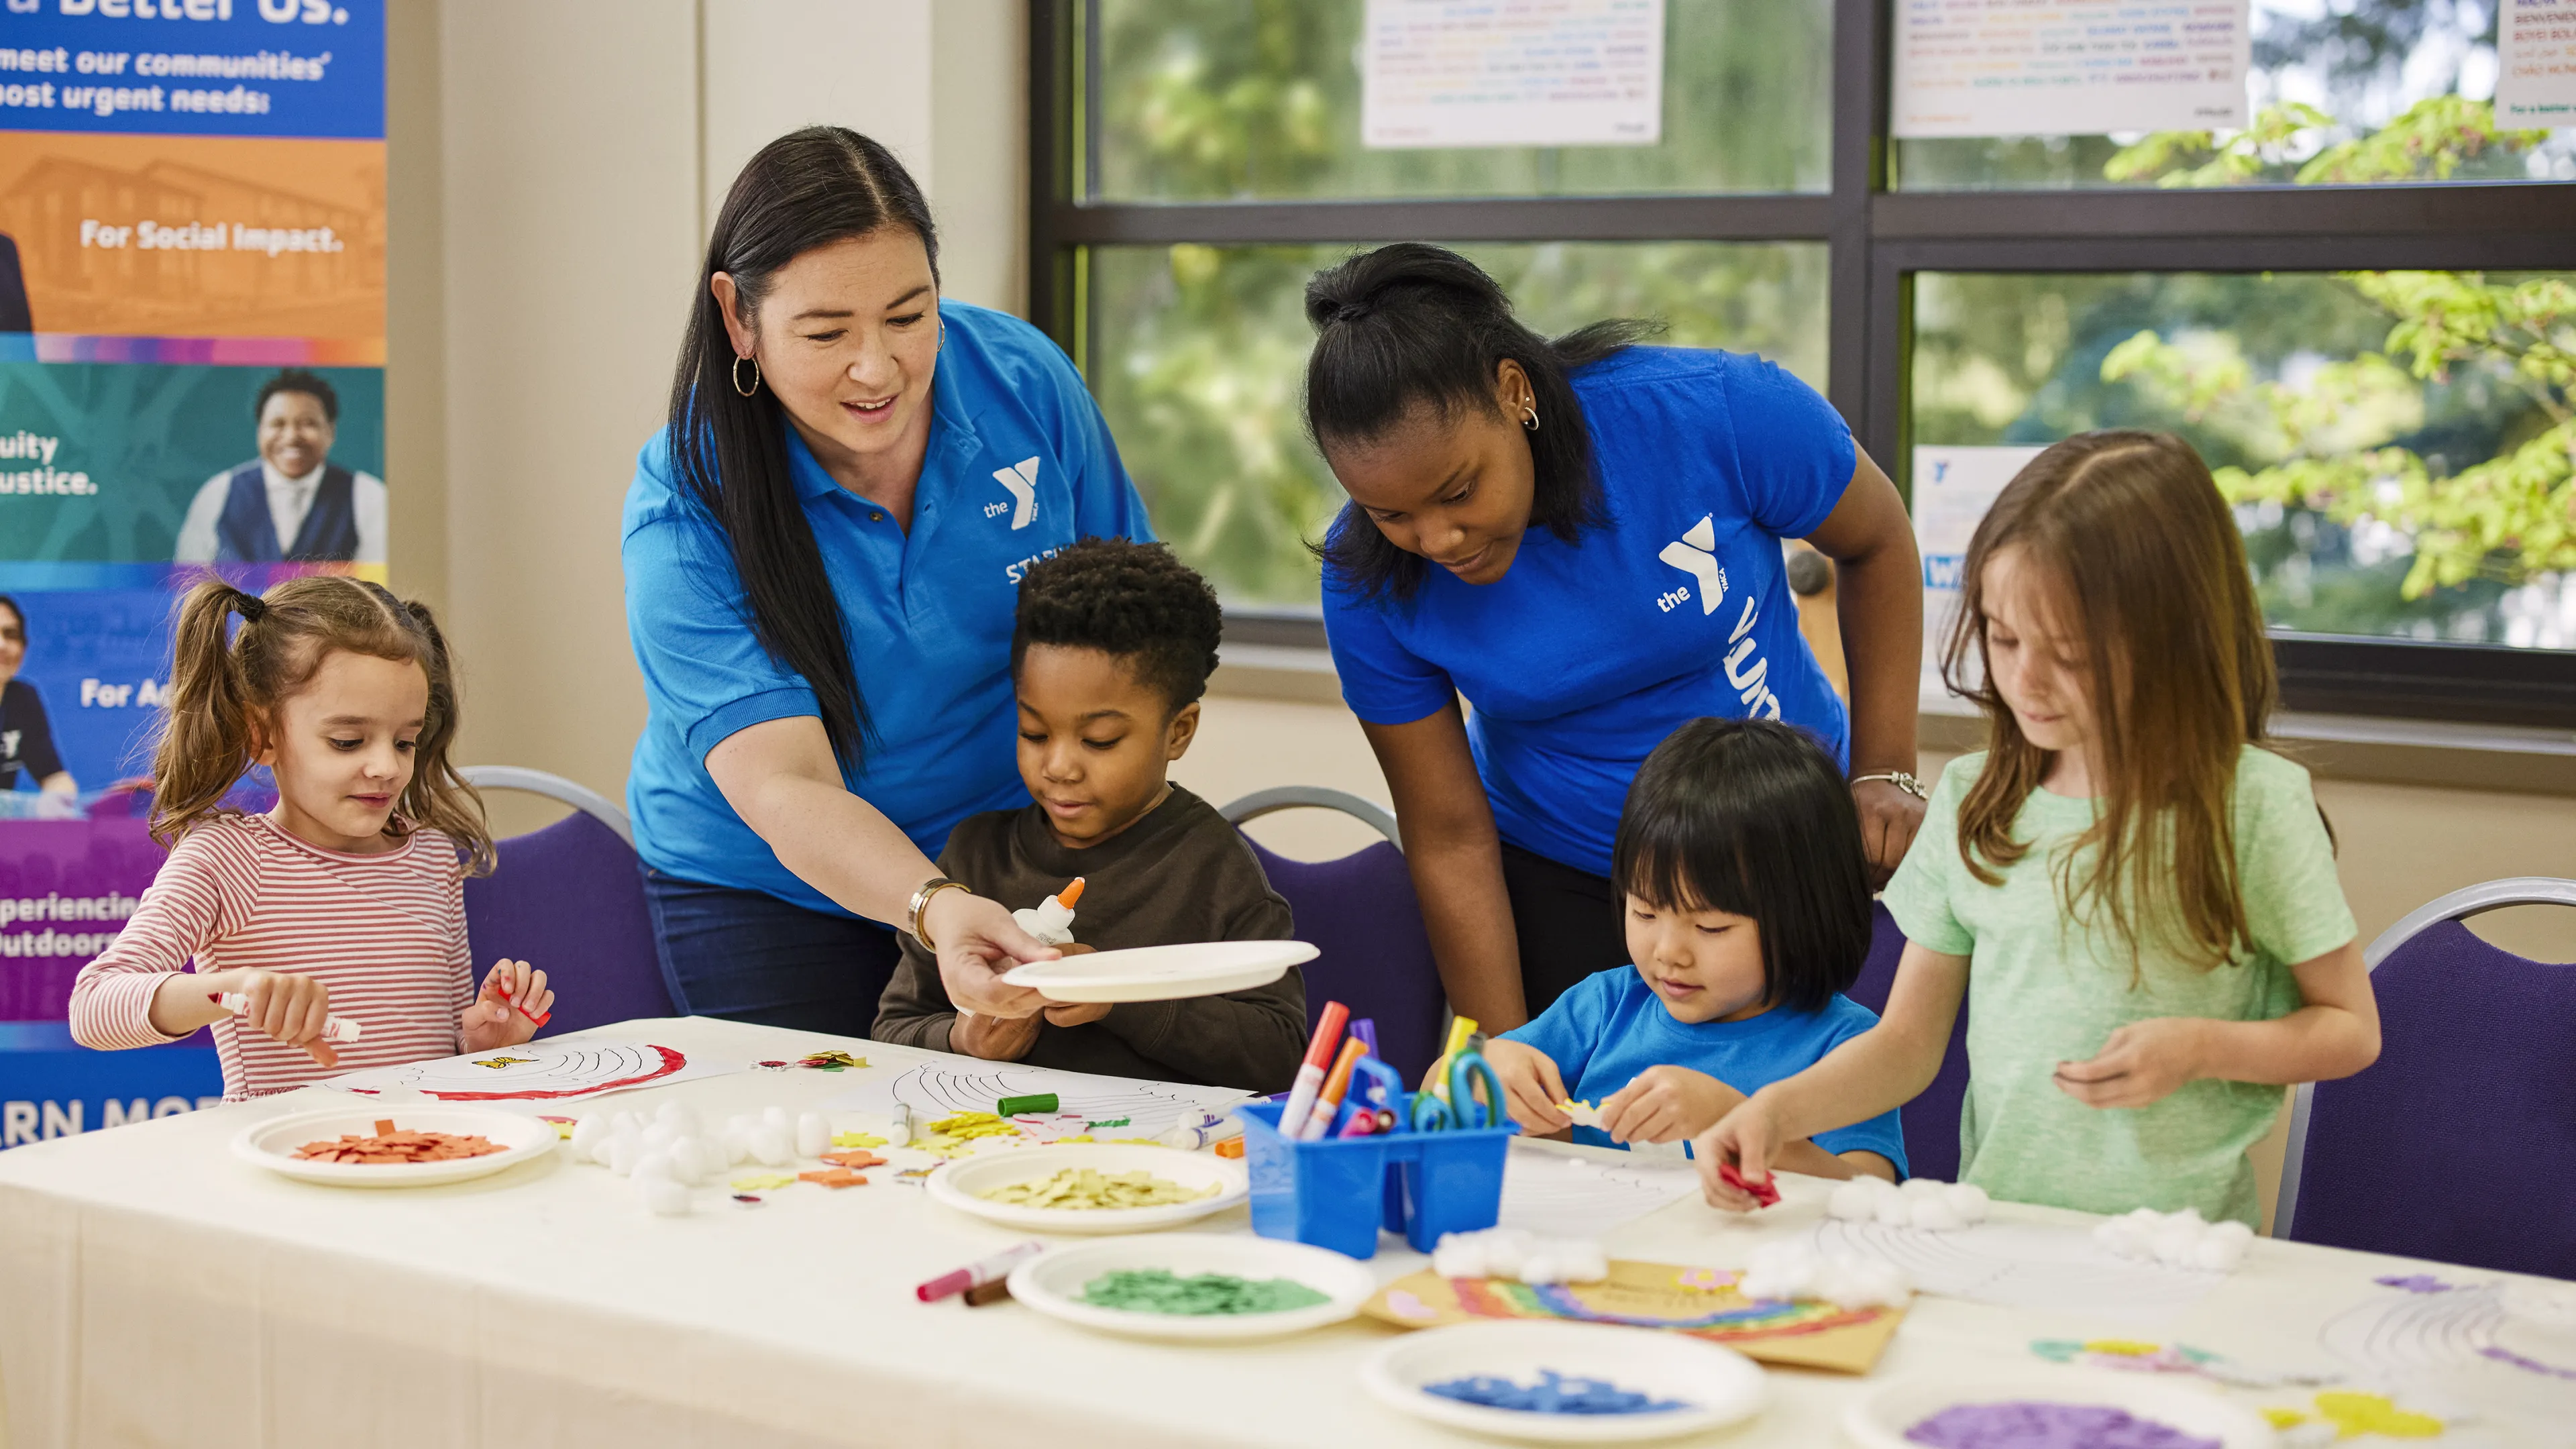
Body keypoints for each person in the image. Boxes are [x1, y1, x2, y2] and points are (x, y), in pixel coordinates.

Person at [1697, 432, 2382, 1227]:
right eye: (2004, 637)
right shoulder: (1974, 798)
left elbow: (2350, 1030)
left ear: (2171, 639)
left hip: (2178, 1246)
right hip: (2002, 1234)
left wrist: (2202, 1048)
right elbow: (1907, 1045)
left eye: (2070, 655)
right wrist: (1773, 1112)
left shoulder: (2254, 806)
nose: (2024, 681)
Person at [1305, 244, 1926, 1031]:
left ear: (1513, 392)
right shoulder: (1367, 580)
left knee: (1807, 1095)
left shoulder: (1711, 413)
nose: (1437, 540)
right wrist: (1505, 1048)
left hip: (1787, 838)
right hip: (1569, 874)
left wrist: (1884, 771)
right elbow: (1450, 836)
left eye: (1458, 492)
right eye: (1391, 514)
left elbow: (1876, 540)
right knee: (1588, 1103)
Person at [623, 127, 1150, 1036]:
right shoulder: (686, 504)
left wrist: (1117, 841)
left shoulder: (1021, 383)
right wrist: (934, 906)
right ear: (739, 317)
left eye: (909, 317)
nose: (877, 368)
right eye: (827, 332)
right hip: (766, 887)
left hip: (1008, 845)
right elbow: (785, 786)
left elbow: (1132, 618)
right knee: (827, 1119)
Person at [66, 576, 553, 1101]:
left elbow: (445, 1048)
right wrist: (232, 991)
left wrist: (485, 1043)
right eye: (348, 741)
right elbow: (93, 1007)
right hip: (289, 1148)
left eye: (405, 742)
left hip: (423, 1143)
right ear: (262, 735)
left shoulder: (432, 857)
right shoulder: (227, 859)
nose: (387, 767)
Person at [873, 539, 1306, 1090]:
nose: (1058, 767)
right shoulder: (976, 856)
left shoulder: (1214, 869)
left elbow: (1281, 1054)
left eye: (1099, 741)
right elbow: (892, 1030)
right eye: (1034, 732)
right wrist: (963, 1041)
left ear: (1178, 732)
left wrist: (1121, 994)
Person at [1483, 718, 1904, 1182]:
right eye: (1645, 912)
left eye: (1710, 926)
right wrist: (1485, 1071)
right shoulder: (1606, 1008)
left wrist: (1731, 1118)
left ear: (1806, 914)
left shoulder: (1846, 1047)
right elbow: (1438, 1086)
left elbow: (1871, 1193)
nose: (1668, 953)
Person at [173, 369, 387, 566]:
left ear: (331, 431)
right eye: (278, 424)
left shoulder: (368, 495)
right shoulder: (218, 493)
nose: (291, 437)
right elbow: (189, 582)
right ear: (260, 431)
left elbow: (380, 586)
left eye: (308, 423)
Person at [0, 595, 76, 799]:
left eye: (11, 634)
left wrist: (58, 798)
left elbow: (54, 777)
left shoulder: (23, 699)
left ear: (23, 648)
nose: (2, 645)